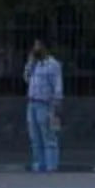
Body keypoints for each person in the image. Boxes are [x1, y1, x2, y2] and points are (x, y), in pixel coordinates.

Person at [24, 38, 64, 172]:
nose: (35, 48)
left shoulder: (52, 64)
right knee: (34, 136)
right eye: (34, 45)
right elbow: (26, 78)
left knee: (48, 135)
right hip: (32, 102)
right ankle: (38, 164)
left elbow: (57, 84)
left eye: (38, 45)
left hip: (45, 104)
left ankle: (51, 165)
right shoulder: (34, 63)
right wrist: (30, 63)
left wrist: (57, 102)